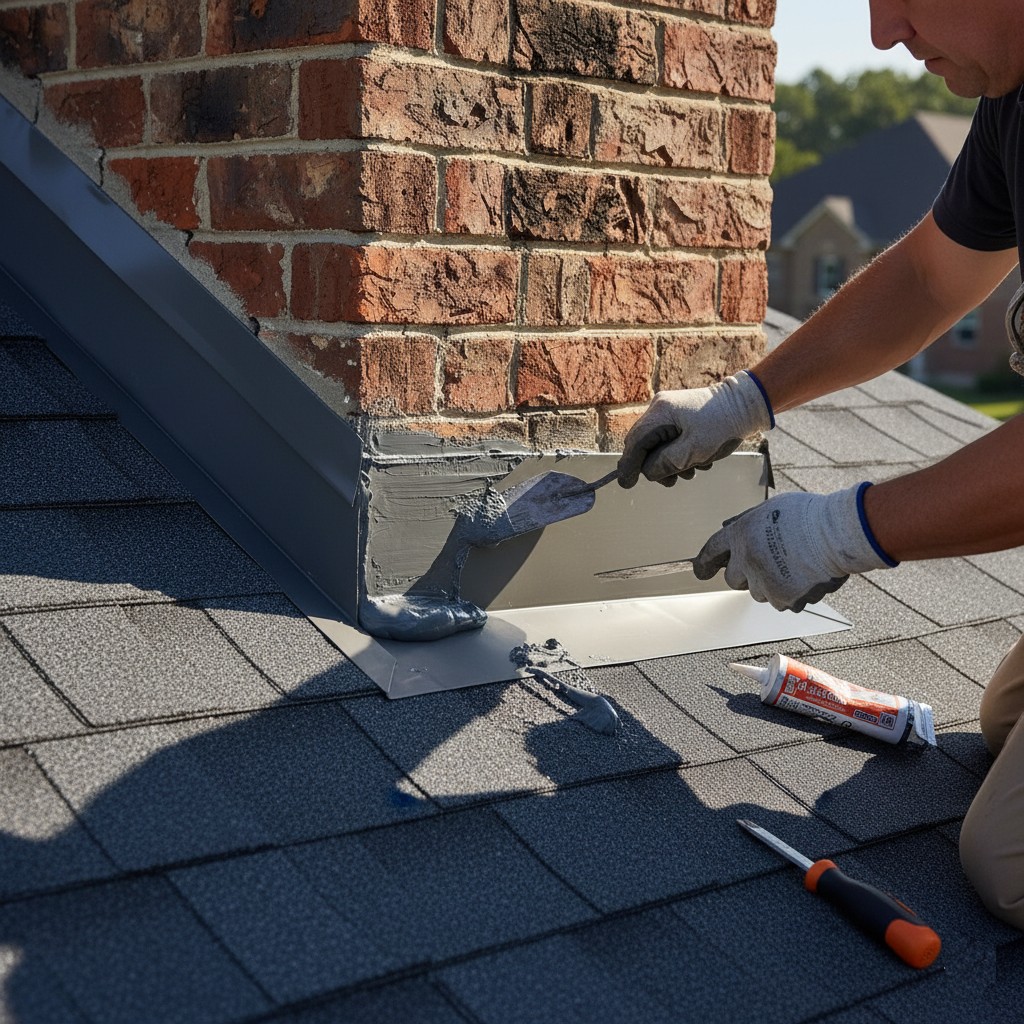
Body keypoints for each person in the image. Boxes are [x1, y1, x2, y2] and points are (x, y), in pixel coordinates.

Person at [616, 0, 1024, 931]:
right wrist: (741, 402)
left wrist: (836, 533)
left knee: (1006, 861)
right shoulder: (1015, 100)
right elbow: (930, 277)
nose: (882, 34)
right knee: (1003, 726)